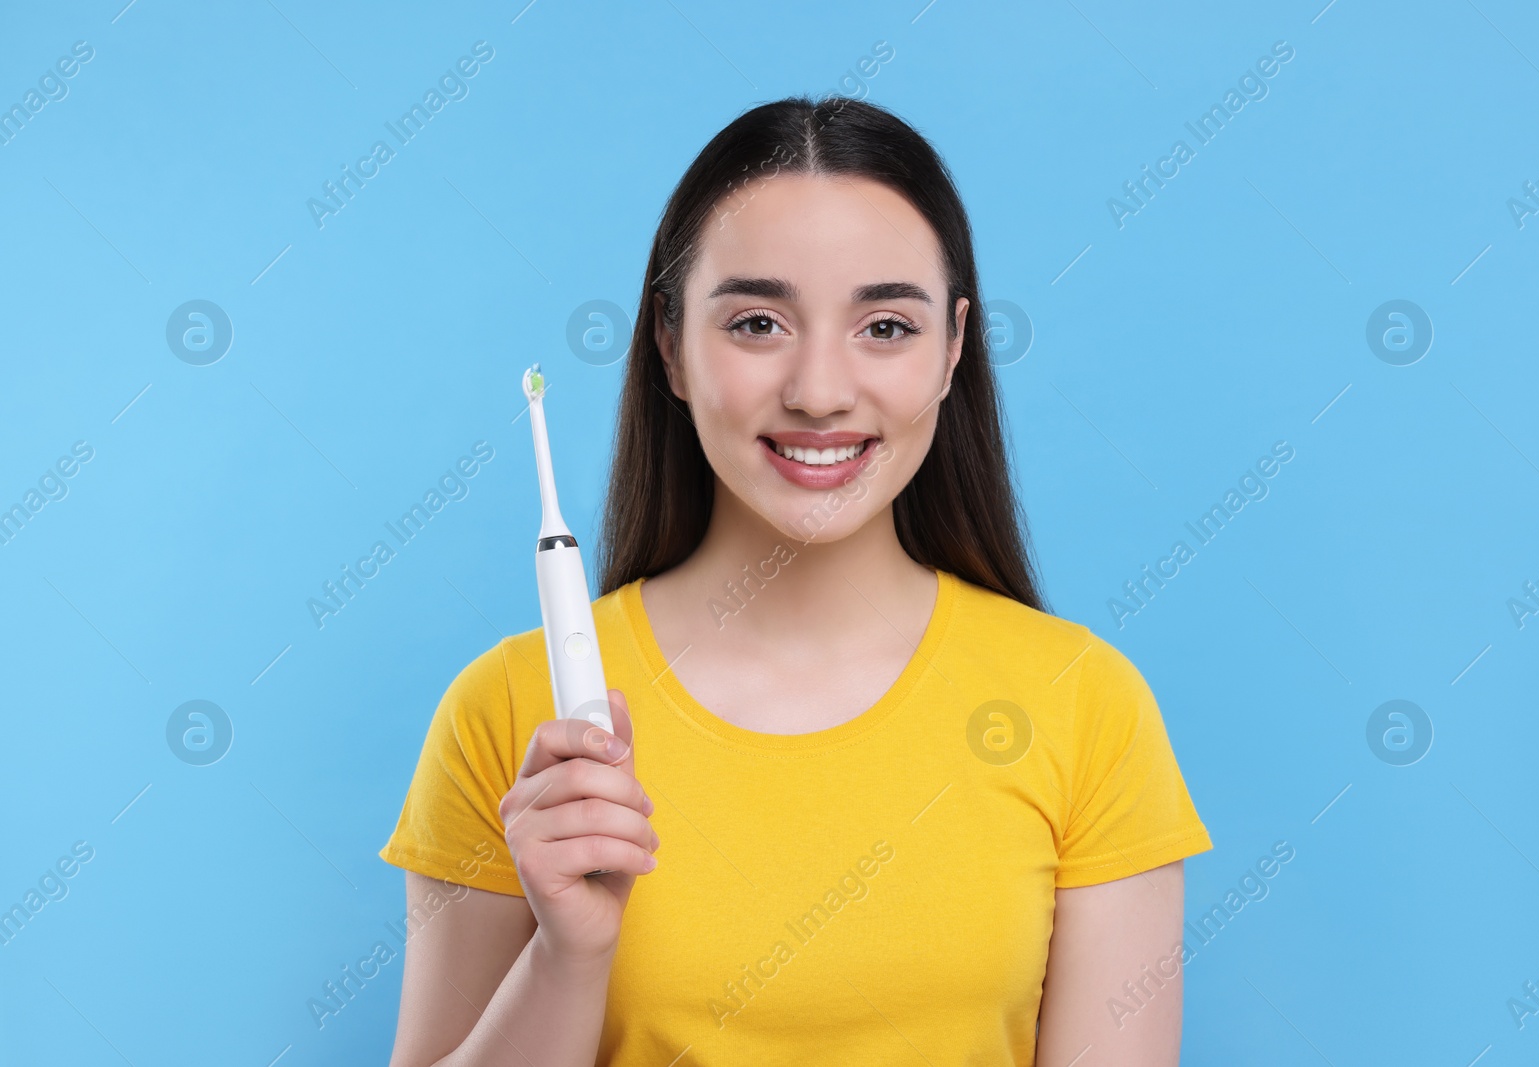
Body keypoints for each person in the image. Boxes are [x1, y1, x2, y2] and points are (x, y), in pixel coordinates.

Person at [379, 94, 1211, 1066]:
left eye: (886, 327)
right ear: (669, 345)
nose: (818, 390)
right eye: (759, 322)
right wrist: (569, 954)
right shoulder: (513, 711)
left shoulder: (1083, 705)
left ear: (952, 348)